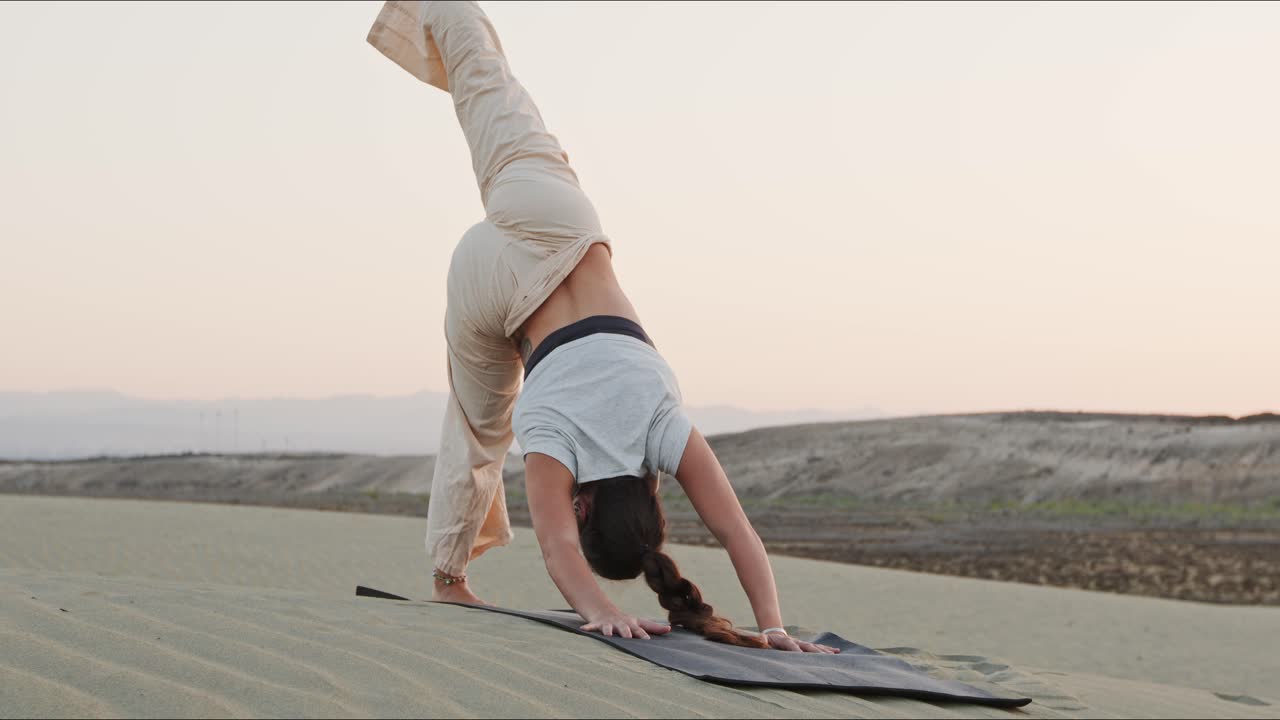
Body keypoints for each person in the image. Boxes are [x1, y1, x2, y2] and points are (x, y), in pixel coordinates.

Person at [367, 0, 836, 653]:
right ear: (585, 505)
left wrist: (775, 622)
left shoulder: (663, 427)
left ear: (652, 496)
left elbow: (738, 534)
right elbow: (557, 547)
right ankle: (450, 575)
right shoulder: (554, 438)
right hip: (489, 289)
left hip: (557, 221)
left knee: (489, 82)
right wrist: (600, 607)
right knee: (479, 433)